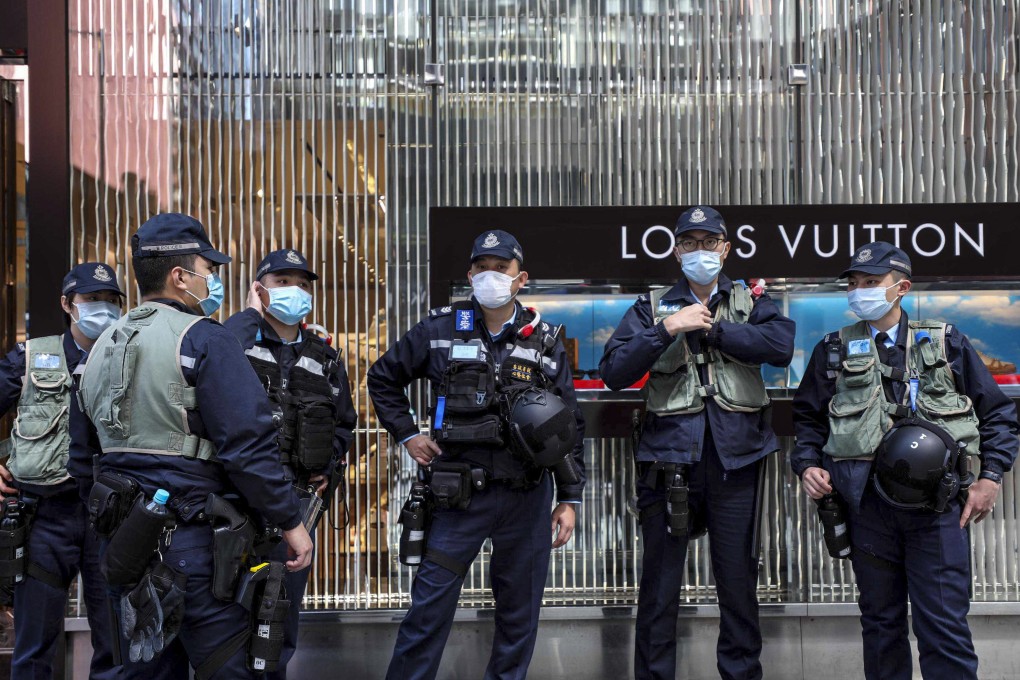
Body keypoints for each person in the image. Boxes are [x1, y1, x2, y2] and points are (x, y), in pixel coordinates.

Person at [77, 213, 314, 678]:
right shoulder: (205, 339)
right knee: (231, 667)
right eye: (210, 269)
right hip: (196, 547)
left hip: (124, 545)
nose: (215, 280)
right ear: (180, 276)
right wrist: (290, 521)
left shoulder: (100, 347)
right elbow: (247, 447)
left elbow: (81, 456)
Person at [791, 242, 1018, 680]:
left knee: (944, 628)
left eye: (871, 283)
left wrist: (990, 477)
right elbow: (809, 421)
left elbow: (998, 414)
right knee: (880, 627)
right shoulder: (832, 350)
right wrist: (806, 464)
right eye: (854, 284)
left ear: (902, 287)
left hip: (936, 511)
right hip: (866, 509)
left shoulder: (946, 341)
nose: (860, 291)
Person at [367, 229, 586, 680]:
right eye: (481, 267)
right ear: (469, 274)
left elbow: (568, 424)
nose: (490, 275)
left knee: (518, 619)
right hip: (456, 498)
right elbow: (383, 378)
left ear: (519, 278)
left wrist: (571, 496)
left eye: (500, 268)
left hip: (526, 500)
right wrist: (408, 435)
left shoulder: (544, 340)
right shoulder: (439, 328)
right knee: (427, 613)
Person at [600, 206, 794, 680]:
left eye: (710, 243)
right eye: (690, 243)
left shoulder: (751, 299)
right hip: (668, 463)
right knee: (660, 588)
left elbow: (780, 346)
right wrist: (668, 328)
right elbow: (614, 371)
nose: (700, 251)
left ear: (726, 249)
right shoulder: (650, 306)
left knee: (738, 583)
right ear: (676, 250)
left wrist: (714, 327)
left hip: (737, 459)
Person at [223, 247, 357, 679]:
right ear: (259, 289)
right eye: (283, 282)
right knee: (224, 617)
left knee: (279, 618)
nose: (294, 291)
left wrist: (330, 464)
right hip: (230, 504)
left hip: (294, 508)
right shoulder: (233, 343)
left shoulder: (325, 357)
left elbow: (345, 425)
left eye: (301, 284)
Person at [0, 262, 124, 680]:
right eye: (92, 299)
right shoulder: (34, 356)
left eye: (111, 300)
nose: (103, 309)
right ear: (68, 304)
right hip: (46, 519)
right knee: (34, 646)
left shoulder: (130, 358)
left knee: (116, 644)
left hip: (113, 519)